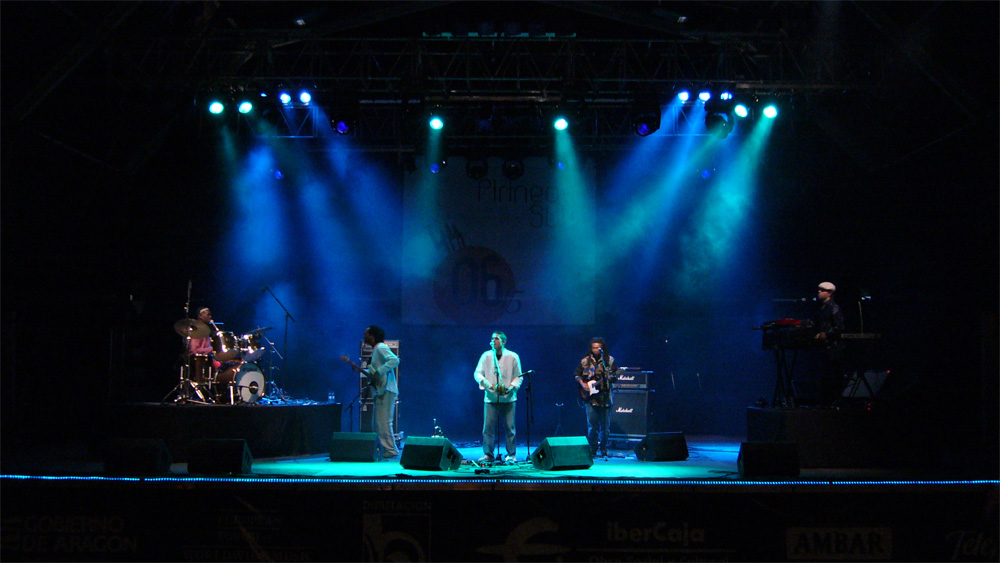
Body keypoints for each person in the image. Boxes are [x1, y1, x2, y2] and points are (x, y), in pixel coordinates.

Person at [474, 331, 523, 463]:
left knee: (509, 428)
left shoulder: (513, 356)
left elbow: (519, 376)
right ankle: (488, 454)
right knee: (488, 428)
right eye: (492, 338)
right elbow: (477, 374)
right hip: (491, 398)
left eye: (496, 338)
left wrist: (511, 387)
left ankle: (511, 454)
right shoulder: (486, 356)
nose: (493, 340)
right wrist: (490, 385)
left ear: (503, 342)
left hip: (508, 398)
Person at [574, 337, 618, 458]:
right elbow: (577, 374)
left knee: (605, 427)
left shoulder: (609, 361)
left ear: (603, 348)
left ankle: (604, 449)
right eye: (593, 348)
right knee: (592, 426)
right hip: (590, 398)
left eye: (598, 348)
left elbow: (614, 375)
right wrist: (583, 384)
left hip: (605, 397)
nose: (596, 350)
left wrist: (611, 378)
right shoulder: (585, 361)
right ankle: (592, 449)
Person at [364, 325, 400, 459]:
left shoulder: (380, 347)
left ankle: (391, 450)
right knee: (378, 422)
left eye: (366, 334)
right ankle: (385, 449)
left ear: (372, 336)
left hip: (387, 389)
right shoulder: (376, 350)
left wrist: (379, 371)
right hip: (381, 390)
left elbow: (395, 360)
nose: (364, 337)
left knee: (383, 422)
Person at [813, 281, 845, 406]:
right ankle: (825, 402)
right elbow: (815, 322)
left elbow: (839, 327)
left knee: (833, 376)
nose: (819, 292)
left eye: (822, 290)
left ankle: (835, 402)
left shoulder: (834, 308)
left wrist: (826, 334)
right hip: (824, 348)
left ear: (830, 293)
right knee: (824, 376)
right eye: (819, 289)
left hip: (834, 348)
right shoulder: (821, 308)